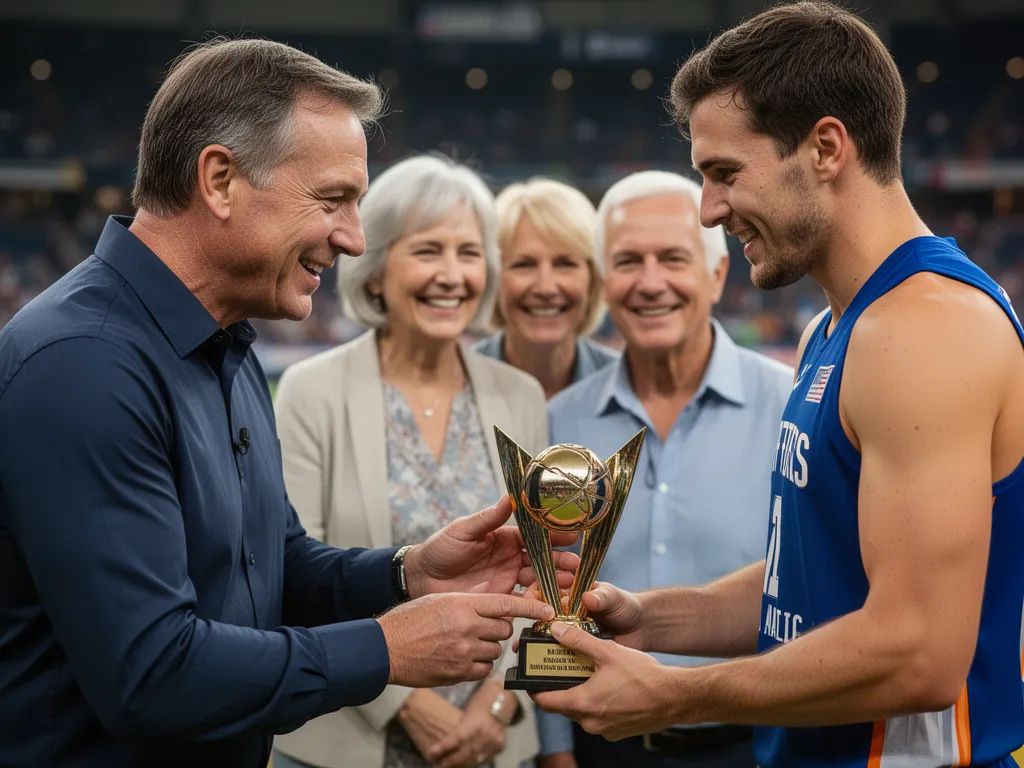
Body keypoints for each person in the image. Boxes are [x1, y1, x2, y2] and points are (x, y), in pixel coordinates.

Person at [0, 39, 578, 768]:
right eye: (332, 199)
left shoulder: (226, 343)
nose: (353, 238)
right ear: (220, 180)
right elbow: (151, 674)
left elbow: (273, 565)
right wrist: (386, 647)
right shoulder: (83, 362)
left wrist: (407, 573)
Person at [528, 4, 1024, 768]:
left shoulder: (925, 328)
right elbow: (815, 575)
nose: (709, 209)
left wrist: (678, 693)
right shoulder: (839, 326)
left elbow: (919, 654)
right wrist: (652, 619)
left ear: (826, 148)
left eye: (725, 173)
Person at [271, 154, 547, 768]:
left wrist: (496, 704)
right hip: (343, 742)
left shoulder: (520, 396)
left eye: (469, 253)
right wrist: (408, 707)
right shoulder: (311, 391)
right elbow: (291, 574)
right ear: (375, 271)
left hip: (492, 745)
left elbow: (542, 573)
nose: (452, 275)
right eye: (427, 251)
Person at [535, 170, 792, 768]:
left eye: (673, 258)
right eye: (628, 261)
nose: (651, 283)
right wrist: (554, 750)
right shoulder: (555, 424)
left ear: (717, 275)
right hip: (599, 746)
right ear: (604, 282)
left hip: (755, 746)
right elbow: (537, 591)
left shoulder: (791, 406)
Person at [473, 178, 617, 398]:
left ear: (593, 279)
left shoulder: (632, 387)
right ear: (493, 278)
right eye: (524, 265)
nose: (546, 288)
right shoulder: (456, 384)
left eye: (565, 264)